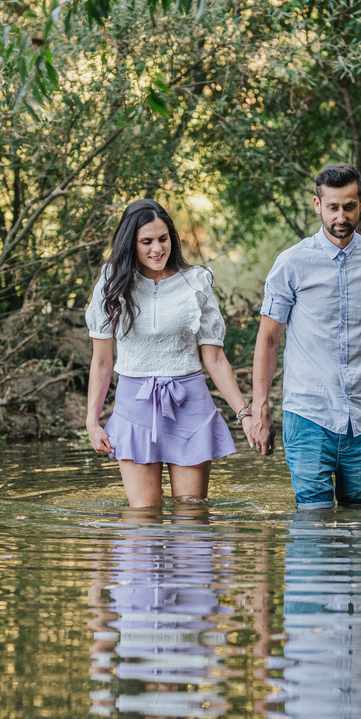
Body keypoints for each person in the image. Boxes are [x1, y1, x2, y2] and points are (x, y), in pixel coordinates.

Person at [245, 164, 361, 509]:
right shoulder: (291, 263)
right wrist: (260, 409)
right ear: (317, 204)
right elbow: (268, 339)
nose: (341, 217)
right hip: (308, 415)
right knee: (311, 522)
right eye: (333, 207)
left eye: (349, 207)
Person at [85, 199, 254, 507]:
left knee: (191, 518)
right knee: (143, 518)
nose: (157, 249)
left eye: (163, 239)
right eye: (146, 241)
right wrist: (92, 421)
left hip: (189, 403)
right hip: (134, 407)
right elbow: (102, 360)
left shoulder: (196, 282)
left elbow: (214, 358)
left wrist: (245, 414)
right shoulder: (111, 284)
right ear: (130, 243)